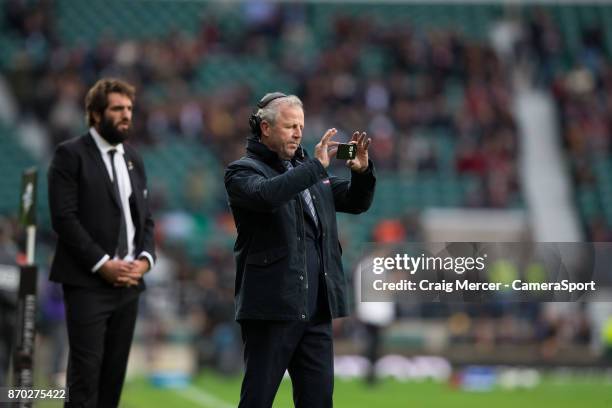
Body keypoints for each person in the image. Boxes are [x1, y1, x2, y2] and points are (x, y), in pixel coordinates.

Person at [225, 92, 376, 407]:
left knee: (318, 401)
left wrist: (361, 173)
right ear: (265, 128)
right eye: (289, 126)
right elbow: (268, 196)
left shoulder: (309, 171)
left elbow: (355, 202)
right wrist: (314, 169)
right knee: (258, 399)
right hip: (272, 306)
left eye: (301, 126)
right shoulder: (243, 171)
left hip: (317, 307)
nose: (298, 133)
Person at [48, 78, 156, 407]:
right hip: (87, 283)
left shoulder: (134, 159)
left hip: (128, 286)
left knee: (113, 378)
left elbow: (145, 220)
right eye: (117, 109)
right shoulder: (70, 155)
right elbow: (64, 219)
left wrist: (145, 260)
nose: (126, 115)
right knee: (85, 376)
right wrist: (102, 264)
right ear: (95, 114)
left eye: (129, 109)